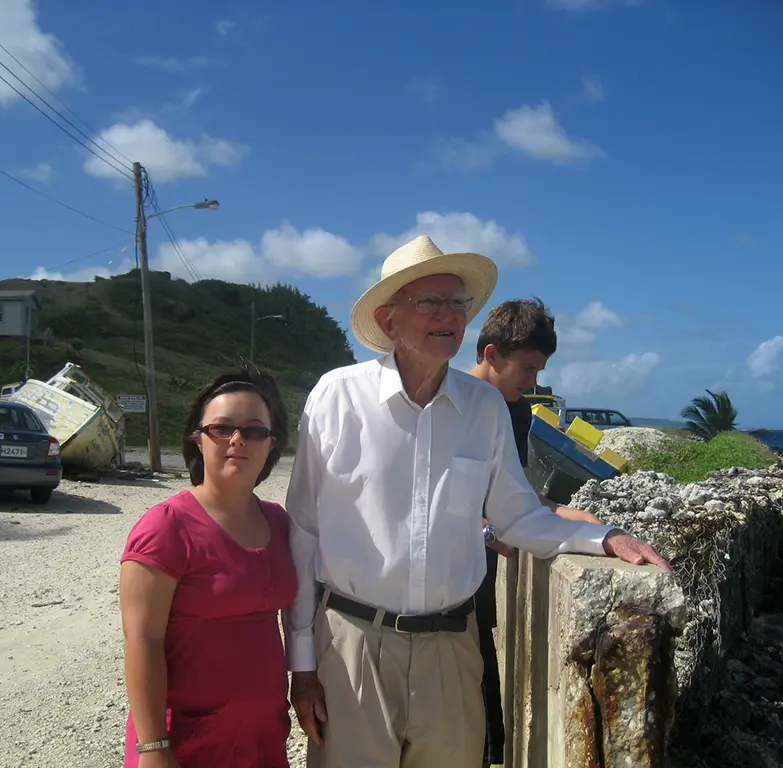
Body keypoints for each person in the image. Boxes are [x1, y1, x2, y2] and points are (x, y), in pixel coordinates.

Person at [283, 235, 672, 768]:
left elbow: (516, 516)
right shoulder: (336, 397)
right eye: (428, 302)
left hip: (451, 647)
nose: (448, 315)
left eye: (457, 304)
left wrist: (603, 537)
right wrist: (301, 662)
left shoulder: (484, 406)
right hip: (352, 643)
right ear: (389, 319)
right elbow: (302, 532)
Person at [118, 365, 295, 768]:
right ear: (198, 438)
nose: (237, 440)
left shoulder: (280, 522)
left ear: (271, 445)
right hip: (186, 743)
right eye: (221, 428)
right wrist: (153, 748)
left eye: (254, 430)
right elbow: (141, 642)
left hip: (263, 741)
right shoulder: (165, 526)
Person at [468, 297, 603, 768]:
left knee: (483, 690)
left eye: (538, 371)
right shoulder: (446, 402)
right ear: (490, 355)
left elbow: (519, 494)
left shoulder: (518, 412)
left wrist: (570, 515)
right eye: (526, 369)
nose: (533, 382)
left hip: (480, 575)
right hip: (443, 576)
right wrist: (486, 530)